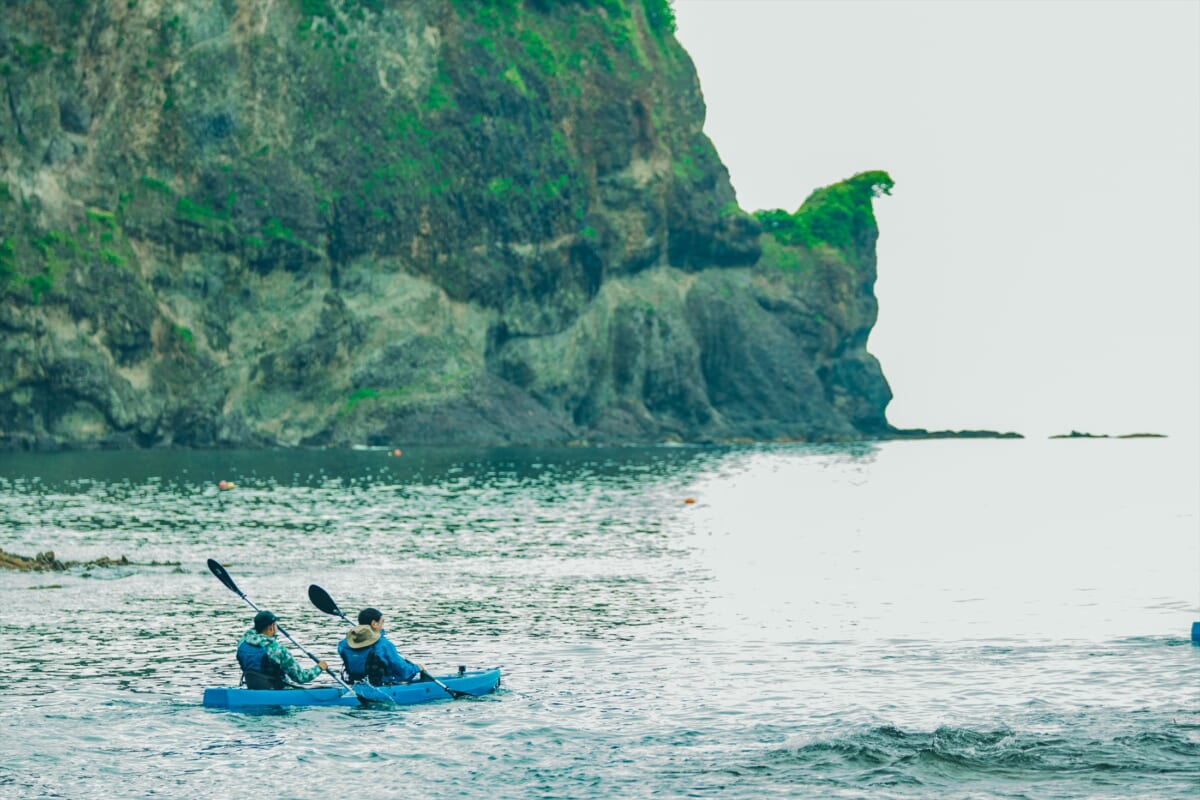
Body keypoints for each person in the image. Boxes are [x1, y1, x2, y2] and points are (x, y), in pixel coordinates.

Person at [236, 610, 328, 690]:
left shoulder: (242, 643)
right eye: (275, 625)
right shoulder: (278, 650)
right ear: (271, 627)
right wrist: (319, 667)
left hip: (252, 687)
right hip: (276, 691)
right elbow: (301, 677)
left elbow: (251, 632)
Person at [338, 607, 424, 686]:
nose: (382, 627)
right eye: (381, 623)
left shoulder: (343, 645)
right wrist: (417, 668)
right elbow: (403, 672)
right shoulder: (384, 645)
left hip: (352, 685)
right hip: (381, 687)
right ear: (374, 624)